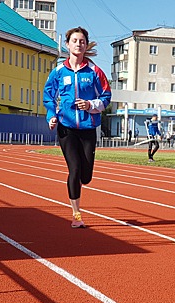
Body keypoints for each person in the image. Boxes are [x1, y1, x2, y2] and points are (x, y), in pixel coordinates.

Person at [43, 26, 111, 228]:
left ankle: (80, 191)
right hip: (66, 128)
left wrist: (91, 105)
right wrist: (51, 116)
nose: (78, 44)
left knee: (86, 176)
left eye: (82, 41)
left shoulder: (94, 72)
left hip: (88, 128)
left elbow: (106, 96)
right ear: (68, 44)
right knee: (74, 169)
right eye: (75, 41)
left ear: (86, 45)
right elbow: (49, 96)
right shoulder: (58, 72)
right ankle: (76, 215)